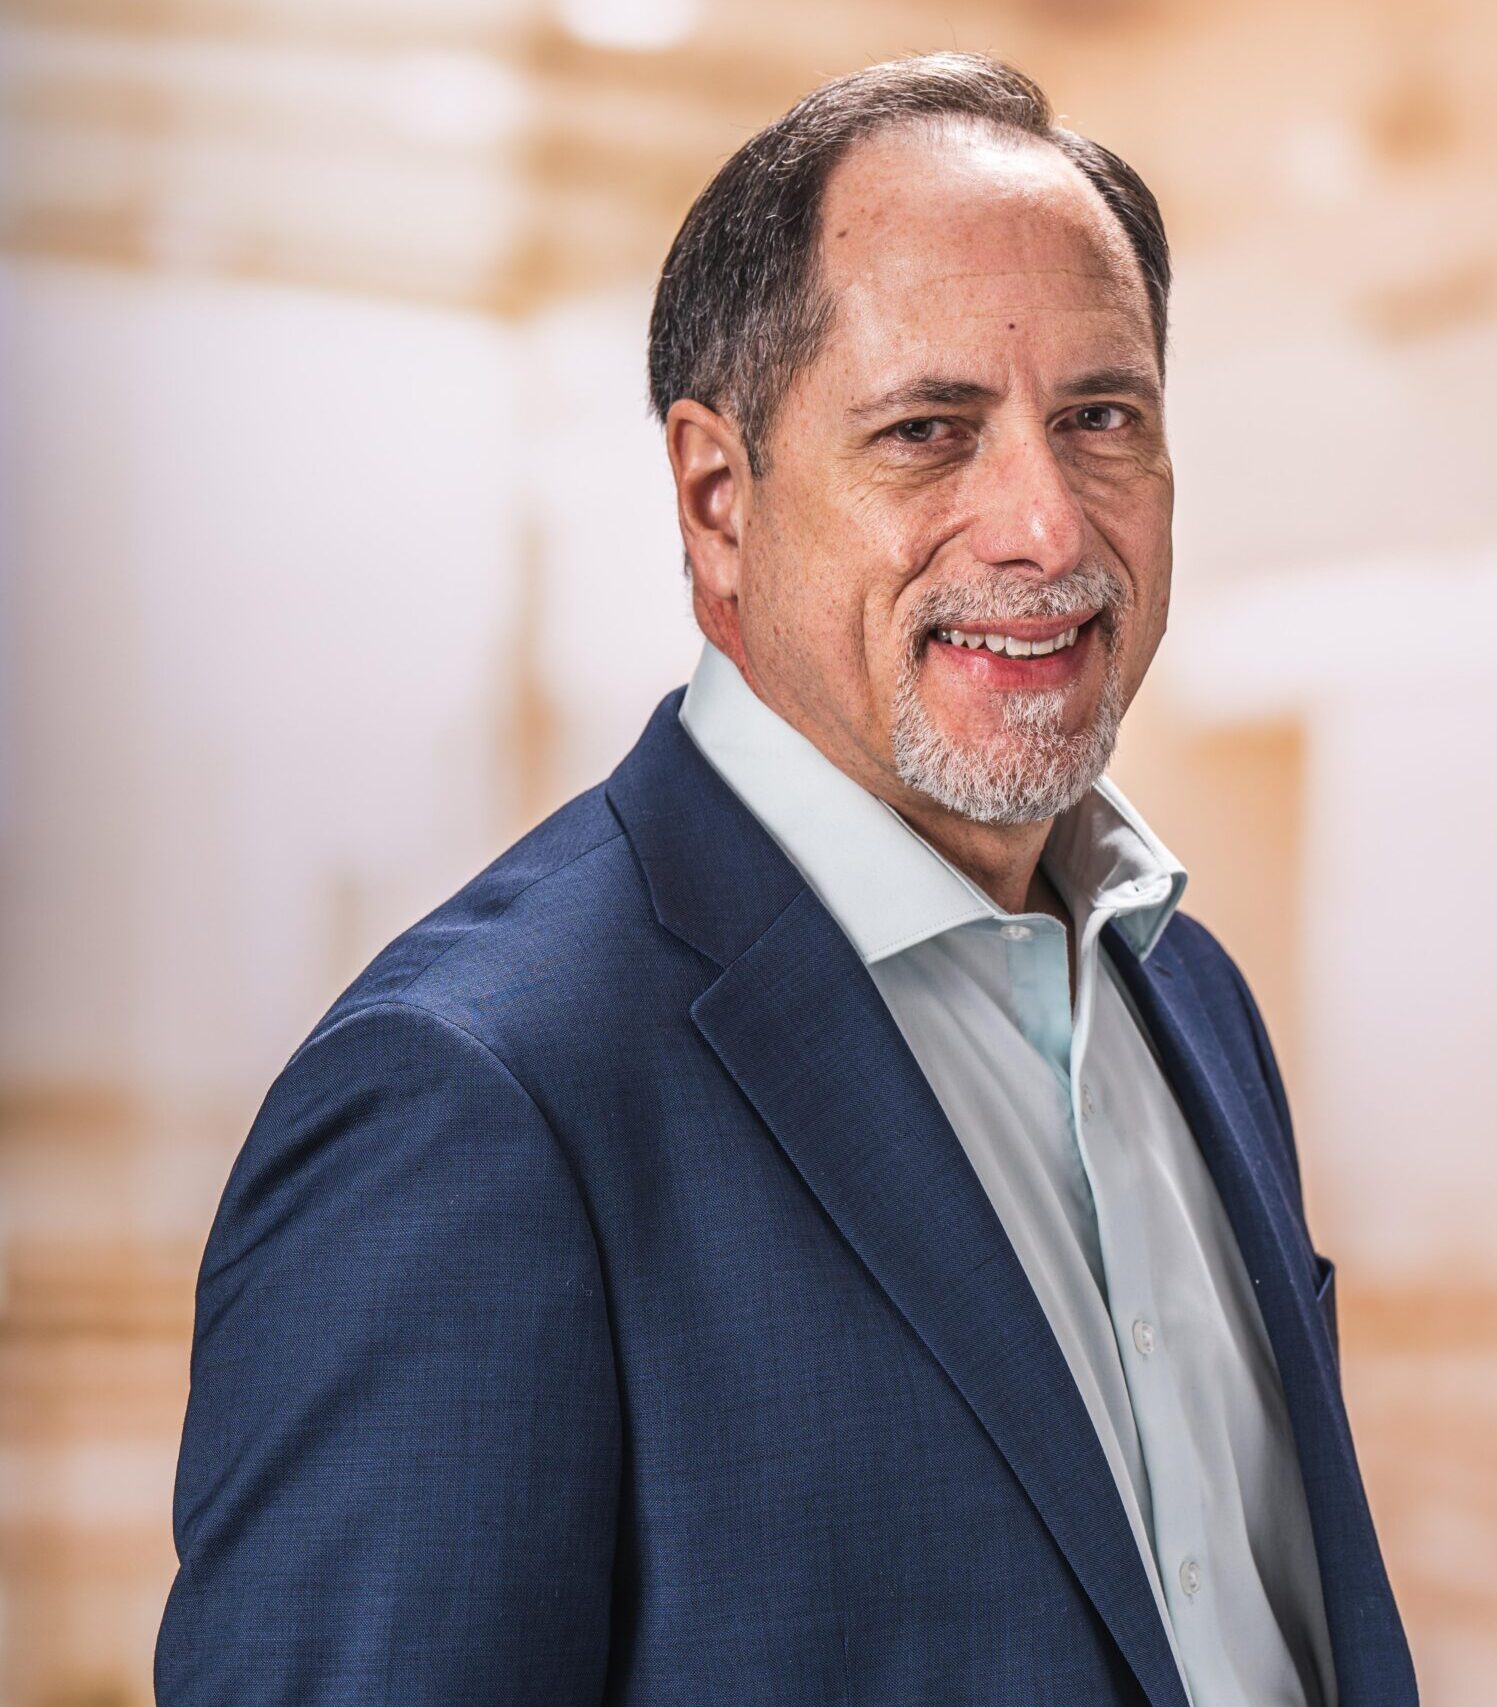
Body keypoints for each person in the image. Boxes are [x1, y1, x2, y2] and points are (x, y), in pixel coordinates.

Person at [155, 50, 1416, 1707]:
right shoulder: (476, 1109)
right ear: (717, 501)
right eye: (928, 432)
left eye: (1101, 420)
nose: (1044, 525)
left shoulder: (1189, 996)